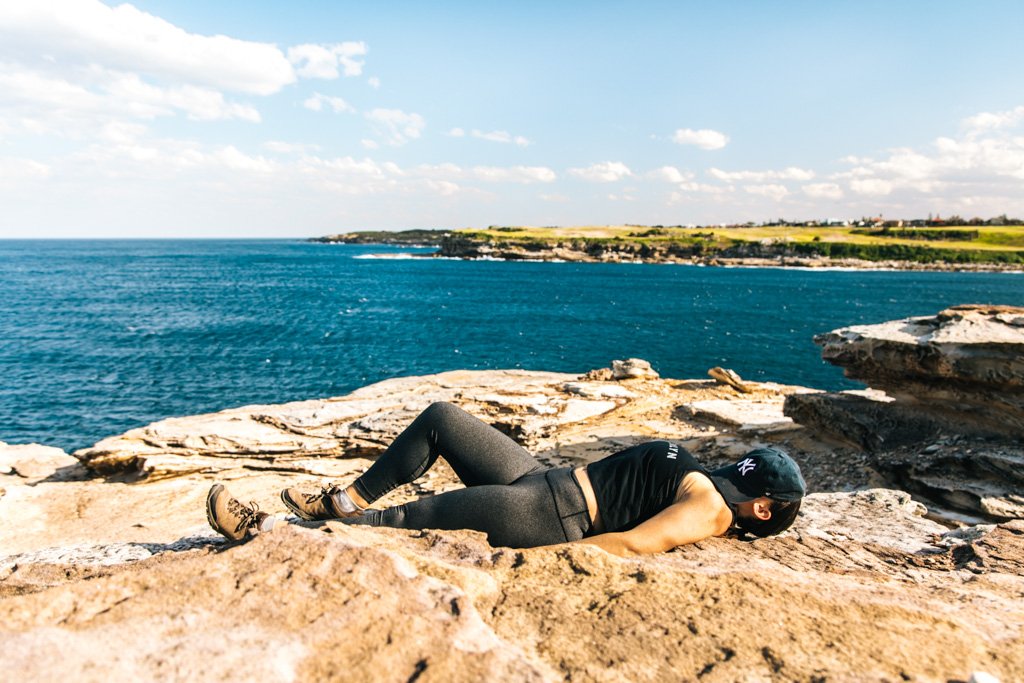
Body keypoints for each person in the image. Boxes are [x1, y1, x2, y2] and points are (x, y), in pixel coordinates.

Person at [206, 401, 805, 556]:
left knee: (408, 520)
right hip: (543, 477)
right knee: (442, 420)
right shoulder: (713, 483)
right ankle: (342, 499)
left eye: (745, 484)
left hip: (549, 516)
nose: (734, 481)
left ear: (760, 509)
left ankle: (267, 534)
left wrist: (543, 561)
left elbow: (628, 544)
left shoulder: (712, 508)